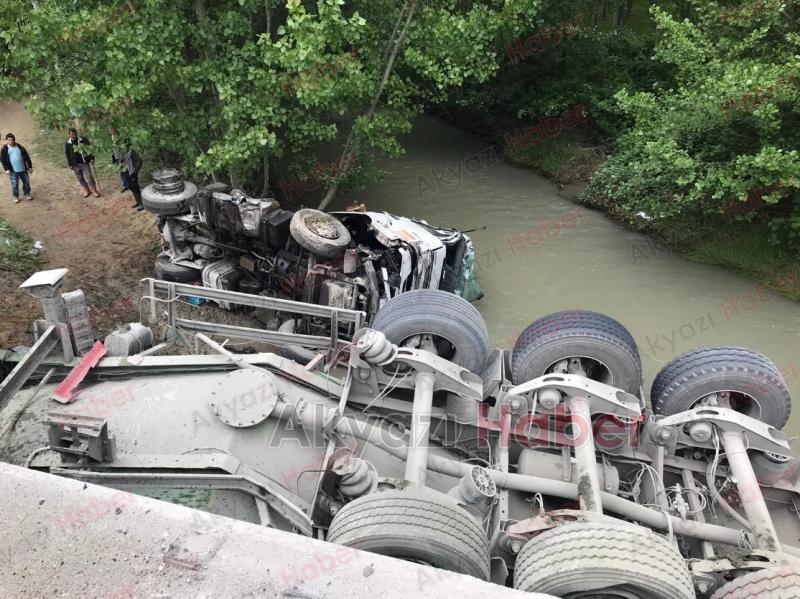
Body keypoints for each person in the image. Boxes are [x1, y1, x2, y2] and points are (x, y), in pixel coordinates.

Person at [65, 127, 101, 198]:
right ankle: (86, 190)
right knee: (80, 178)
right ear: (69, 135)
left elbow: (90, 149)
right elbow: (67, 154)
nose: (74, 136)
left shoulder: (83, 140)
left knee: (89, 177)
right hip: (75, 164)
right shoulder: (67, 144)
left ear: (76, 133)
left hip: (84, 162)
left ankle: (94, 190)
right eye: (72, 134)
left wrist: (92, 158)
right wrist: (70, 164)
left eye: (75, 134)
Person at [0, 133, 33, 203]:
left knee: (26, 182)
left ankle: (27, 194)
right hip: (13, 170)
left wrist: (30, 167)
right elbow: (3, 160)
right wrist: (6, 169)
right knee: (14, 184)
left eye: (12, 140)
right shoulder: (5, 149)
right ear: (6, 140)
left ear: (14, 140)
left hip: (23, 169)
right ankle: (16, 196)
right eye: (9, 140)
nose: (11, 141)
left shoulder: (20, 147)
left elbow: (27, 157)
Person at [123, 140, 143, 211]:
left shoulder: (131, 152)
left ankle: (142, 204)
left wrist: (135, 170)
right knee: (132, 188)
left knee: (136, 189)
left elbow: (139, 161)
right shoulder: (123, 152)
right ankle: (138, 202)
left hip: (133, 173)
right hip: (127, 173)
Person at [110, 128, 130, 192]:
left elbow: (126, 146)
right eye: (110, 130)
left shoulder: (121, 136)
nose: (111, 131)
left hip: (123, 157)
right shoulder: (111, 137)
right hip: (117, 157)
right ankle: (125, 185)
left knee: (127, 170)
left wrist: (124, 156)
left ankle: (130, 184)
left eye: (112, 129)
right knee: (121, 172)